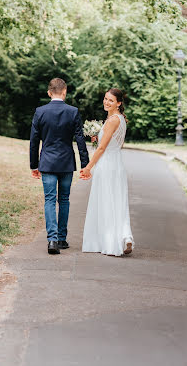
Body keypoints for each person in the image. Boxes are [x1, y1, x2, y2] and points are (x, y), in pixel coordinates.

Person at [30, 78, 89, 255]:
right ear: (64, 92)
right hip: (66, 163)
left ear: (49, 93)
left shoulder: (40, 112)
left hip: (47, 162)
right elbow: (80, 139)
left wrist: (34, 165)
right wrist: (84, 164)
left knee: (49, 199)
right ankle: (62, 238)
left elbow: (34, 141)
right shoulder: (73, 112)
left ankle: (52, 240)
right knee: (64, 199)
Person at [80, 88, 134, 256]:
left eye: (111, 100)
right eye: (105, 99)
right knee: (117, 201)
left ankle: (110, 242)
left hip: (107, 165)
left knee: (105, 201)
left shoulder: (112, 120)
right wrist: (98, 137)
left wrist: (88, 167)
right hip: (117, 163)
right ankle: (125, 235)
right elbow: (115, 143)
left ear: (119, 103)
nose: (106, 102)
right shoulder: (120, 119)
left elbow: (102, 147)